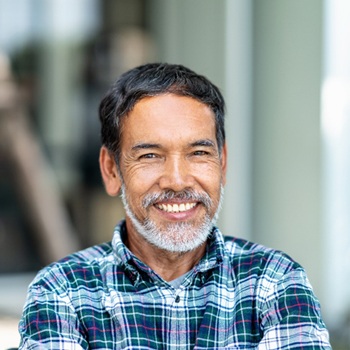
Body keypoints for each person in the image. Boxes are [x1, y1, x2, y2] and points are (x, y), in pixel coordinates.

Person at [18, 63, 331, 349]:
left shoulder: (274, 280)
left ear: (222, 165)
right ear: (112, 171)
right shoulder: (63, 291)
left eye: (198, 153)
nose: (178, 181)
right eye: (150, 155)